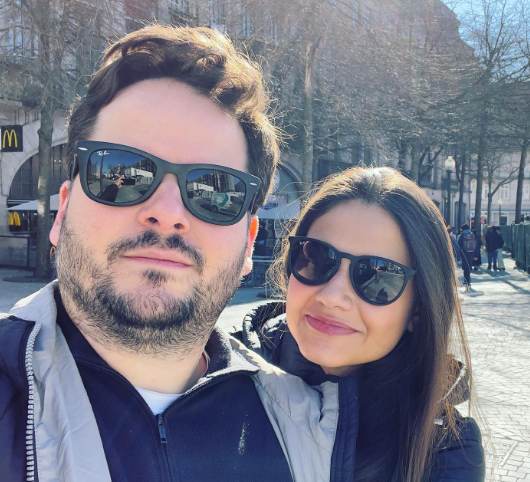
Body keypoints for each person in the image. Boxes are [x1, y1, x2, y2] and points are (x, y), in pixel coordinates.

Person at [0, 26, 339, 482]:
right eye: (121, 172)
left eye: (214, 189)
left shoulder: (315, 432)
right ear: (62, 213)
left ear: (248, 242)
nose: (166, 213)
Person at [235, 167, 485, 482]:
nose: (332, 297)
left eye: (377, 276)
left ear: (418, 312)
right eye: (317, 258)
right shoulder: (214, 378)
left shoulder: (446, 451)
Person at [458, 223, 478, 291]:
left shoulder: (462, 235)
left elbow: (459, 244)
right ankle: (468, 281)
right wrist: (476, 255)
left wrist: (459, 254)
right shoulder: (472, 235)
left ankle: (466, 281)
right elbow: (476, 245)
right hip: (472, 253)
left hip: (464, 253)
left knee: (465, 267)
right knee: (469, 267)